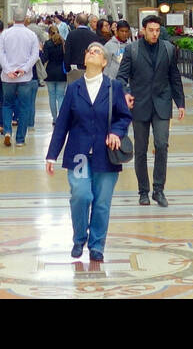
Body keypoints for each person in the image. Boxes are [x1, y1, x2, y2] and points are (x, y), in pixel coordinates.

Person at [44, 40, 132, 262]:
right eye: (89, 51)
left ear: (104, 62)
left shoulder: (114, 87)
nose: (92, 53)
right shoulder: (74, 88)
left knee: (102, 202)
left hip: (105, 154)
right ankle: (79, 238)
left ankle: (97, 244)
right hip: (79, 154)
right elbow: (62, 122)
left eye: (97, 52)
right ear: (85, 59)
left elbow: (124, 116)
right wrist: (52, 154)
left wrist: (116, 132)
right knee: (81, 195)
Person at [117, 13, 185, 206]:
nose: (154, 34)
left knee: (162, 145)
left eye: (157, 30)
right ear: (143, 31)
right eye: (151, 30)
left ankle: (159, 189)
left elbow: (175, 77)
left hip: (162, 103)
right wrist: (125, 93)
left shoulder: (169, 49)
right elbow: (122, 76)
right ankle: (143, 191)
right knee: (140, 149)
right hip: (140, 104)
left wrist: (180, 102)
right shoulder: (132, 50)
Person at [0, 6, 41, 147]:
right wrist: (24, 69)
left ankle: (8, 131)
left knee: (7, 104)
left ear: (13, 18)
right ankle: (20, 139)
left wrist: (8, 69)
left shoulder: (5, 34)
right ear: (25, 19)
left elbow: (0, 54)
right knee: (24, 107)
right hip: (25, 78)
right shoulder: (31, 35)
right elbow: (35, 55)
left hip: (8, 77)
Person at [42, 25, 69, 122]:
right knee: (60, 96)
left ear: (49, 33)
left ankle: (54, 118)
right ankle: (61, 118)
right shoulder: (63, 43)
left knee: (52, 96)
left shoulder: (48, 43)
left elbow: (45, 58)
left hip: (50, 72)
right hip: (62, 72)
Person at [64, 14, 99, 80]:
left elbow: (67, 52)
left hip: (74, 69)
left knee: (74, 89)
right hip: (90, 68)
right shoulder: (93, 35)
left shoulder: (71, 35)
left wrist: (67, 68)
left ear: (76, 22)